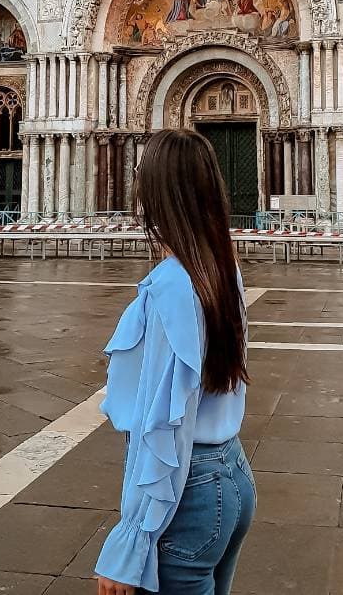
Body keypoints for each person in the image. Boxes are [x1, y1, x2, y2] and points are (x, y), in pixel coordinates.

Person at [95, 129, 255, 595]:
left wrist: (132, 542)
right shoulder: (221, 268)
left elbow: (164, 426)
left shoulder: (171, 286)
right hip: (232, 475)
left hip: (189, 494)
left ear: (155, 196)